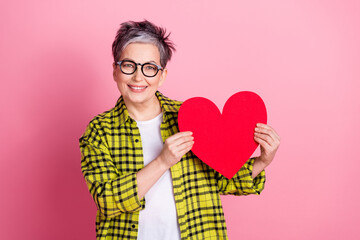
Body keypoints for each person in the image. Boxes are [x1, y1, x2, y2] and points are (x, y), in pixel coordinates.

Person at [79, 20, 280, 240]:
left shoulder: (189, 118)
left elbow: (222, 178)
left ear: (162, 75)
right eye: (129, 65)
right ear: (116, 71)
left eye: (149, 68)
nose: (138, 77)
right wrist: (162, 161)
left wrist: (263, 161)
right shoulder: (99, 131)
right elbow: (107, 201)